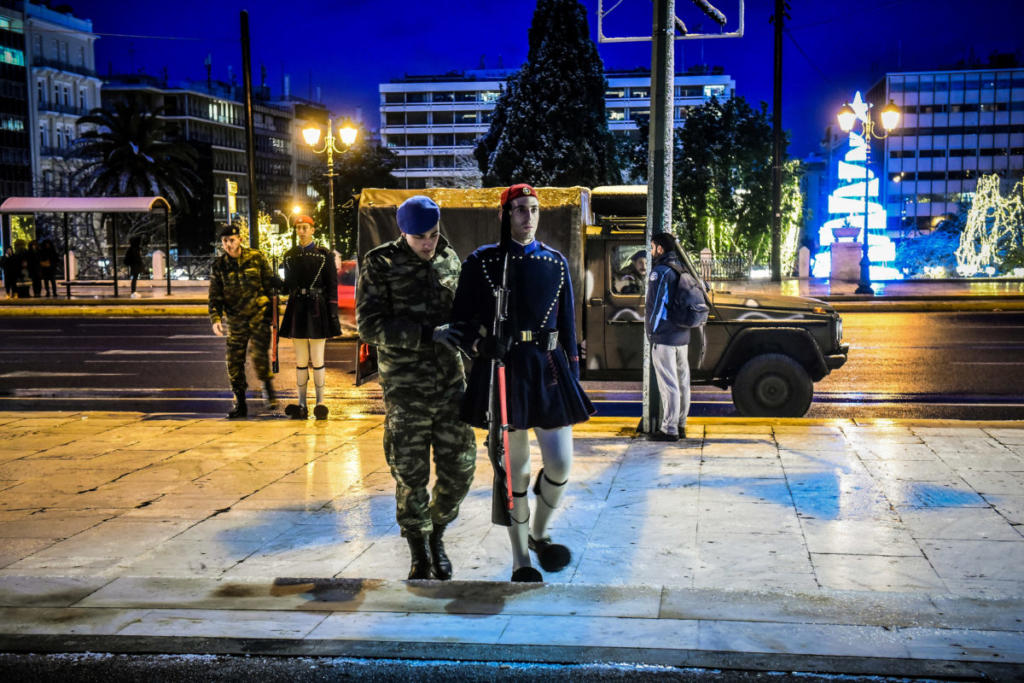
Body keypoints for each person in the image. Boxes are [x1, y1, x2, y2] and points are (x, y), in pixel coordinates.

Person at [451, 183, 594, 583]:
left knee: (561, 465)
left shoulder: (555, 262)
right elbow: (460, 323)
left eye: (533, 209)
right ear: (504, 215)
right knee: (515, 472)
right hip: (504, 368)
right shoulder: (482, 262)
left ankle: (539, 533)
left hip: (548, 368)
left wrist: (573, 374)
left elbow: (568, 325)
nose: (527, 217)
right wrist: (481, 343)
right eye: (519, 210)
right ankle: (521, 560)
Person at [356, 195, 476, 581]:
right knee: (411, 477)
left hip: (450, 384)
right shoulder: (379, 263)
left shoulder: (449, 258)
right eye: (420, 237)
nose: (428, 244)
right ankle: (419, 548)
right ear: (403, 232)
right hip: (406, 389)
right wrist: (428, 335)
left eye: (434, 234)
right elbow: (369, 327)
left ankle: (438, 531)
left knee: (461, 470)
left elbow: (462, 312)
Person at [208, 223, 277, 418]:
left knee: (259, 356)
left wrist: (271, 313)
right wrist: (216, 319)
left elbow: (269, 284)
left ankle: (268, 389)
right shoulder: (219, 266)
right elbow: (215, 296)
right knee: (234, 362)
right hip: (236, 320)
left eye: (231, 240)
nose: (228, 244)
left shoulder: (256, 257)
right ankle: (239, 402)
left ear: (239, 239)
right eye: (224, 241)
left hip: (258, 316)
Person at [279, 215, 341, 420]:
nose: (302, 231)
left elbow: (332, 286)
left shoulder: (324, 255)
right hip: (297, 307)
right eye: (299, 228)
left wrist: (332, 312)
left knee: (318, 358)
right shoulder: (289, 256)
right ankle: (302, 404)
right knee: (301, 360)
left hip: (316, 308)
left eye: (305, 227)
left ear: (313, 230)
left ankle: (321, 402)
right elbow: (287, 287)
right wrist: (274, 283)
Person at [645, 232, 692, 442]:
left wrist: (651, 333)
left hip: (664, 336)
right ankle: (681, 424)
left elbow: (655, 307)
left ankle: (669, 429)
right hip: (683, 336)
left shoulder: (661, 272)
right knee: (683, 383)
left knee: (669, 384)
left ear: (660, 249)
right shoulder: (682, 269)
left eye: (653, 247)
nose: (652, 251)